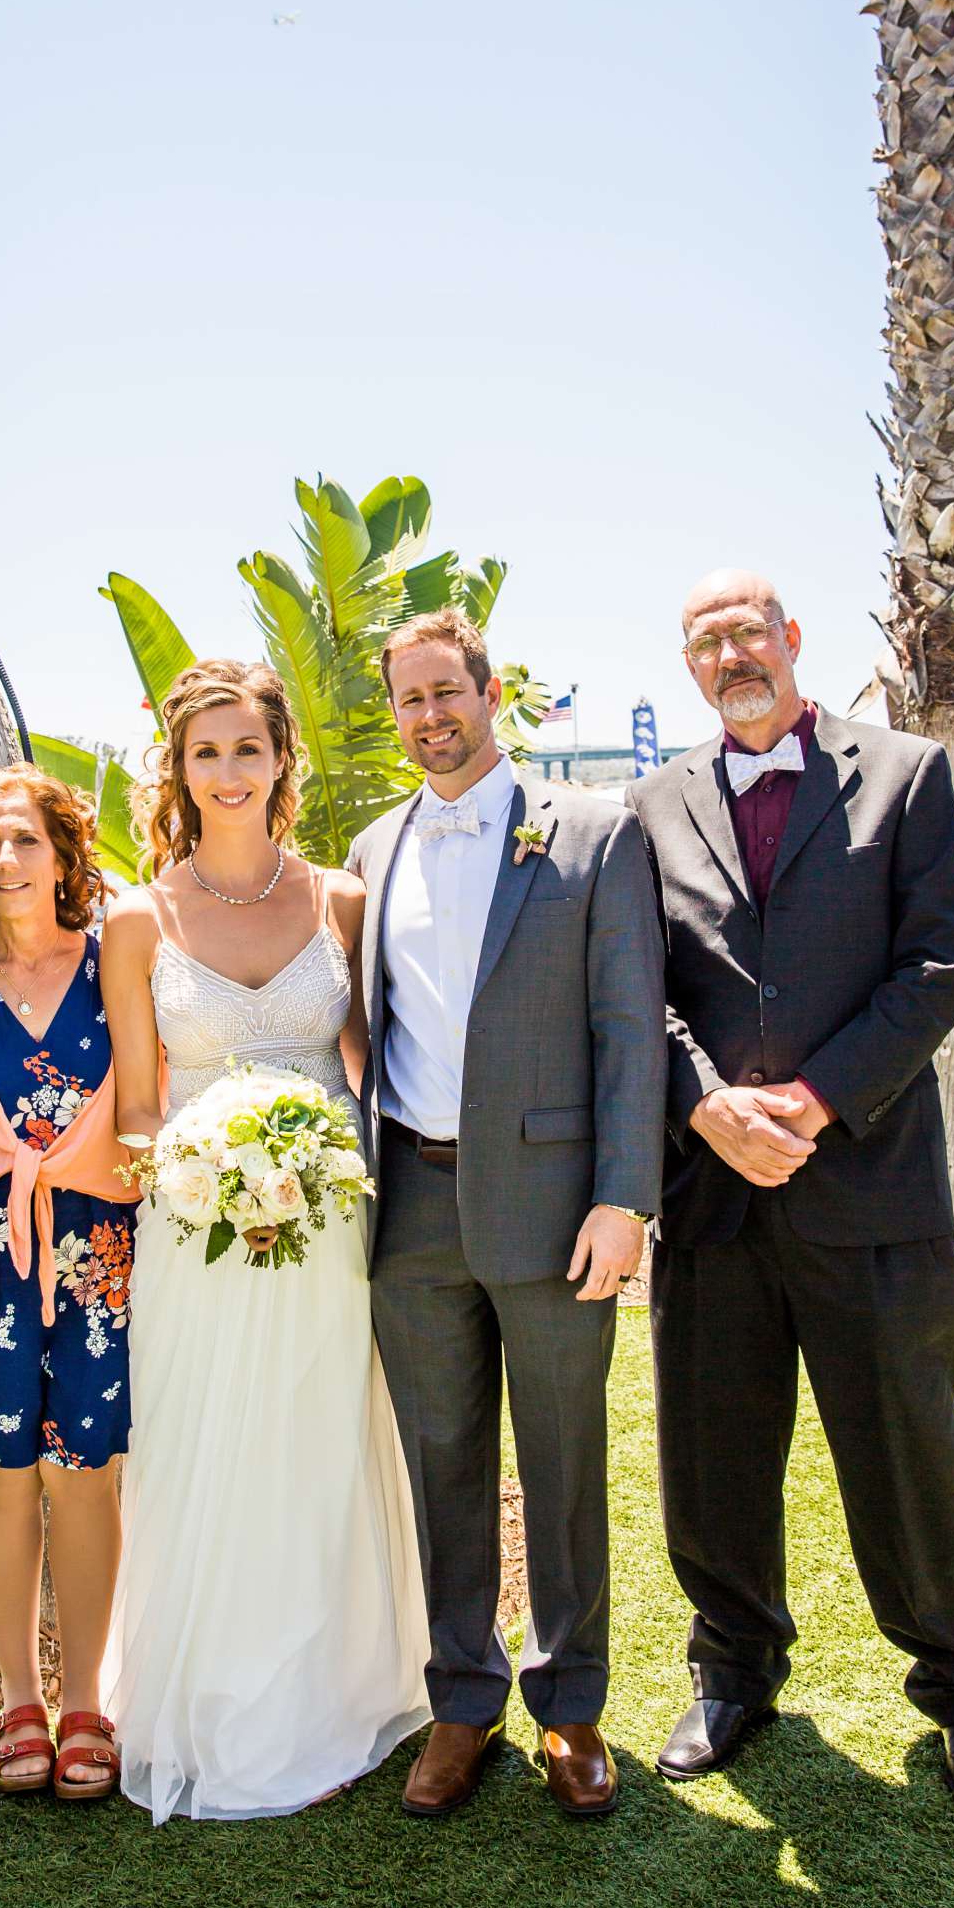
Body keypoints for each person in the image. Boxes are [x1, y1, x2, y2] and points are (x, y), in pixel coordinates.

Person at [627, 568, 954, 1812]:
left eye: (747, 631)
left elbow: (935, 964)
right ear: (690, 665)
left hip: (867, 1185)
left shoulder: (903, 774)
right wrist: (703, 1103)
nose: (730, 654)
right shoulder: (647, 805)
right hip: (713, 1198)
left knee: (908, 1453)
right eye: (706, 642)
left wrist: (812, 1102)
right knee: (714, 1456)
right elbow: (643, 991)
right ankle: (733, 1674)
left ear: (791, 639)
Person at [348, 607, 667, 1818]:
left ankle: (572, 1707)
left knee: (562, 1460)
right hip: (410, 1209)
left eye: (449, 692)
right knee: (442, 1464)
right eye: (410, 700)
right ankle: (461, 1701)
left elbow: (629, 1030)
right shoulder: (371, 853)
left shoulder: (592, 834)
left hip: (551, 1206)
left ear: (490, 694)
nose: (430, 717)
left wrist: (623, 1197)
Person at [100, 659, 429, 1822]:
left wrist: (304, 1170)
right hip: (198, 1234)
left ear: (282, 758)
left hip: (333, 1224)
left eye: (248, 749)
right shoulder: (136, 921)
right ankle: (218, 1702)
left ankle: (338, 1694)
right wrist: (211, 1172)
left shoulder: (341, 899)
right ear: (177, 771)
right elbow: (138, 1105)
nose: (228, 773)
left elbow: (369, 1070)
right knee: (209, 1453)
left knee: (322, 1444)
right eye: (206, 753)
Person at [0, 766, 135, 1800]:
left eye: (25, 840)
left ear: (63, 854)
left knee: (88, 1468)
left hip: (105, 1256)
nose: (6, 861)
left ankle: (89, 1698)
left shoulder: (118, 965)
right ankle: (19, 1699)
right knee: (1, 1470)